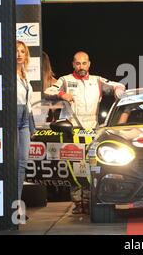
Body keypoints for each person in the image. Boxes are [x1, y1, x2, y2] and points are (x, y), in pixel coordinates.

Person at [44, 51, 125, 214]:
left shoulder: (97, 81)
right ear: (73, 64)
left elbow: (119, 85)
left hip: (92, 129)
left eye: (84, 63)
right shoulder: (65, 80)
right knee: (74, 167)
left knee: (90, 166)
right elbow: (47, 92)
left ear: (89, 64)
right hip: (71, 128)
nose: (81, 67)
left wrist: (117, 91)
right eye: (78, 63)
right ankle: (77, 202)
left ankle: (88, 200)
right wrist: (62, 94)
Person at [16, 41, 33, 219]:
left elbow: (28, 102)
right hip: (13, 115)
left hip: (25, 119)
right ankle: (9, 206)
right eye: (16, 51)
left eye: (22, 51)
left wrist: (32, 124)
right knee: (12, 163)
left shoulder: (25, 74)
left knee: (22, 163)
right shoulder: (7, 73)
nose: (19, 54)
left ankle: (17, 205)